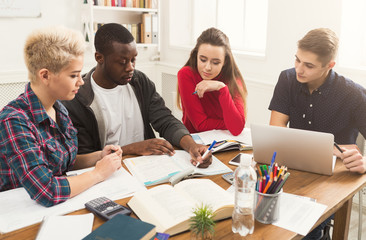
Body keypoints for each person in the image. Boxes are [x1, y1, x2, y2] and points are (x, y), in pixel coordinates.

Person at [0, 26, 123, 207]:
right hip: (21, 214)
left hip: (60, 205)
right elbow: (47, 190)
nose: (81, 81)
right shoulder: (13, 120)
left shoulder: (60, 109)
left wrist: (98, 157)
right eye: (74, 75)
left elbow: (64, 163)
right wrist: (97, 173)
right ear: (45, 75)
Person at [62, 23, 211, 168]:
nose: (130, 68)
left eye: (133, 59)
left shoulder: (139, 82)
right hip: (109, 173)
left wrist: (192, 146)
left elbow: (165, 120)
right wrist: (133, 148)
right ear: (99, 58)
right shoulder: (77, 98)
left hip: (148, 166)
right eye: (122, 62)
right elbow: (84, 158)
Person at [269, 28, 366, 239]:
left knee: (302, 230)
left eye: (308, 65)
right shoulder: (287, 79)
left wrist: (364, 162)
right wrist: (328, 148)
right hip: (291, 172)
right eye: (297, 60)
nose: (298, 69)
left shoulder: (354, 94)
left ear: (329, 65)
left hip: (331, 183)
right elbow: (275, 132)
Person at [177, 27, 247, 136]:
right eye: (203, 60)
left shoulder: (233, 79)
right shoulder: (186, 74)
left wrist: (222, 88)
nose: (208, 67)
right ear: (196, 56)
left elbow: (237, 128)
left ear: (224, 62)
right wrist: (228, 124)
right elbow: (200, 125)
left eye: (215, 62)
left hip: (226, 142)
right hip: (196, 143)